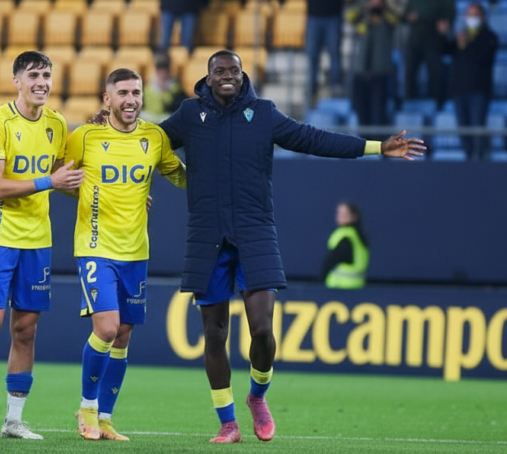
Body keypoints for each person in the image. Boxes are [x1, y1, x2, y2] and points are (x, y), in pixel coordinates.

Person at [157, 50, 424, 443]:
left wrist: (375, 148)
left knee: (262, 330)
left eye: (234, 70)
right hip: (207, 235)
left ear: (243, 75)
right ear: (208, 77)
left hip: (255, 233)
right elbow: (146, 144)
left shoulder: (263, 113)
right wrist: (109, 126)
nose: (227, 75)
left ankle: (257, 396)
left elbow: (314, 139)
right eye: (220, 71)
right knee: (214, 335)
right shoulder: (189, 114)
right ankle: (227, 423)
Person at [64, 69, 187, 441]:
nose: (131, 99)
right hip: (95, 246)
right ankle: (85, 408)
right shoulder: (84, 137)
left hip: (136, 251)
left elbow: (178, 175)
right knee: (106, 327)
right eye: (123, 93)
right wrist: (91, 196)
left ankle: (105, 418)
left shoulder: (155, 137)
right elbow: (62, 179)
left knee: (123, 335)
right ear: (107, 99)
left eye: (136, 92)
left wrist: (214, 176)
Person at [0, 51, 84, 440]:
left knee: (27, 329)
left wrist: (117, 194)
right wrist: (48, 182)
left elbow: (65, 179)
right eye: (34, 74)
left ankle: (13, 420)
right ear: (16, 80)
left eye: (47, 75)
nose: (42, 82)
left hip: (37, 239)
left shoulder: (56, 124)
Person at [263, 0, 380, 106]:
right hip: (314, 20)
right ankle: (311, 91)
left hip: (334, 19)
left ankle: (336, 90)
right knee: (312, 56)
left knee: (335, 55)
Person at [445, 3, 499, 160]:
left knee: (477, 129)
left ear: (482, 17)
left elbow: (485, 57)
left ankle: (480, 159)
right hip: (459, 90)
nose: (472, 18)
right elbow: (445, 50)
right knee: (463, 129)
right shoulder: (459, 36)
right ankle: (468, 158)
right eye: (469, 14)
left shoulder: (489, 37)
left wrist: (470, 42)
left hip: (479, 91)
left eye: (475, 14)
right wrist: (445, 34)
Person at [346, 0, 398, 139]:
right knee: (362, 114)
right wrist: (365, 8)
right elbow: (349, 16)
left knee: (377, 115)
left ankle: (378, 148)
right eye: (372, 2)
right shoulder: (362, 19)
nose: (375, 5)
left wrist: (384, 9)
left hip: (379, 75)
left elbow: (397, 19)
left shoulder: (387, 21)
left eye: (378, 2)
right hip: (360, 73)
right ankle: (365, 148)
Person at [403, 0, 454, 103]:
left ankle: (436, 103)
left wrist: (446, 24)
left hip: (433, 42)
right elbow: (405, 15)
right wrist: (410, 17)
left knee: (435, 75)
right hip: (415, 41)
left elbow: (449, 17)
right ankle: (409, 102)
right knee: (410, 73)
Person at [322, 202, 370, 289]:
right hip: (357, 286)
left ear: (353, 216)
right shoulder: (358, 236)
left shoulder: (345, 237)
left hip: (340, 287)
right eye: (338, 213)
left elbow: (332, 260)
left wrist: (322, 278)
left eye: (344, 213)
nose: (339, 216)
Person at [140, 57, 187, 123]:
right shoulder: (147, 87)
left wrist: (166, 93)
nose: (162, 75)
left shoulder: (175, 88)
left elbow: (176, 107)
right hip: (149, 116)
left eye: (165, 72)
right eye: (160, 72)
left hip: (166, 116)